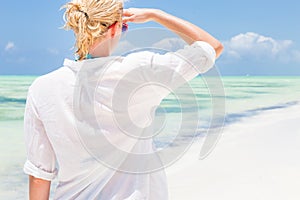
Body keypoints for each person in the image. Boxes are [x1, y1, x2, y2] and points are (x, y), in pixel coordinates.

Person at [23, 0, 223, 199]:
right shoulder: (140, 71)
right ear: (114, 29)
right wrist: (156, 14)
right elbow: (211, 47)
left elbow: (40, 176)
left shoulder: (42, 88)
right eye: (123, 27)